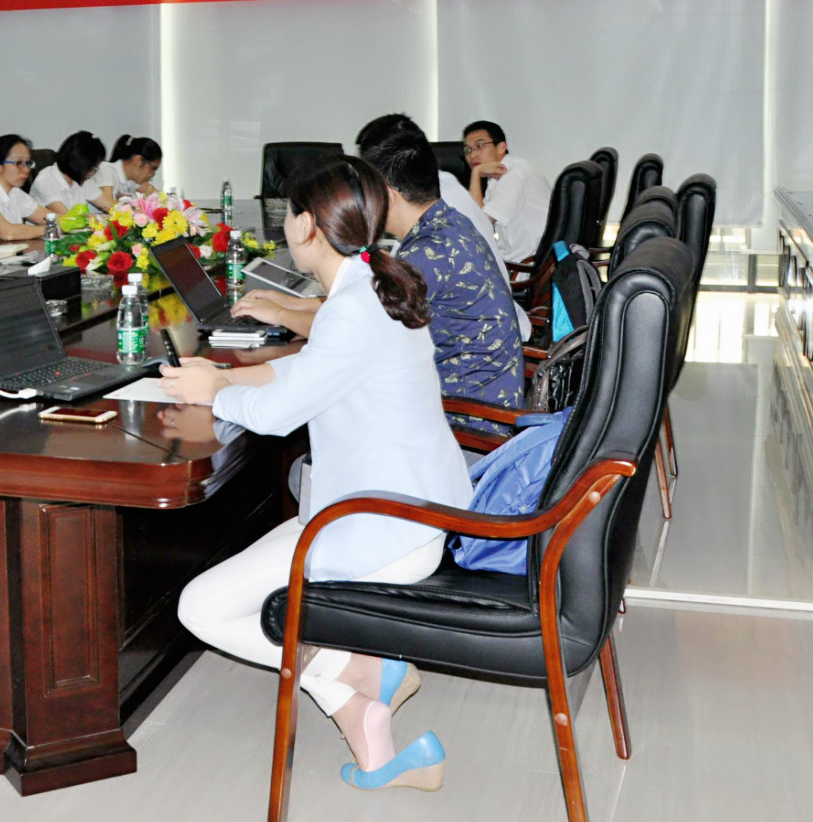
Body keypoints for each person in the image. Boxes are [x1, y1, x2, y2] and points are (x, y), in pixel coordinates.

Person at [163, 156, 472, 792]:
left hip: (382, 526)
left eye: (287, 216)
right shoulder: (372, 284)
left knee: (200, 608)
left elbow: (277, 415)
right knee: (243, 580)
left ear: (306, 225)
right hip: (403, 509)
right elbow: (313, 373)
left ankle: (354, 681)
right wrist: (223, 377)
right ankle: (367, 702)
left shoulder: (353, 307)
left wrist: (217, 394)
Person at [355, 113, 530, 338]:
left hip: (473, 347)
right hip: (493, 333)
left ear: (386, 190)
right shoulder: (444, 210)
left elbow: (366, 328)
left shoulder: (428, 246)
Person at [463, 120, 551, 265]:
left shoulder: (515, 175)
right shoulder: (503, 173)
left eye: (479, 146)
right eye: (468, 150)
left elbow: (477, 225)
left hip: (523, 265)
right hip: (516, 260)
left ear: (501, 147)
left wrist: (476, 173)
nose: (472, 155)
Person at [31, 130, 106, 214]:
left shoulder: (82, 180)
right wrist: (99, 218)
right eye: (90, 168)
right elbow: (67, 217)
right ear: (77, 163)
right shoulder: (45, 181)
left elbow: (108, 205)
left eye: (95, 168)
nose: (92, 173)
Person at [92, 135, 162, 206]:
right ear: (138, 160)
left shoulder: (132, 179)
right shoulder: (107, 170)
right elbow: (107, 205)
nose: (151, 174)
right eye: (152, 168)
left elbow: (159, 198)